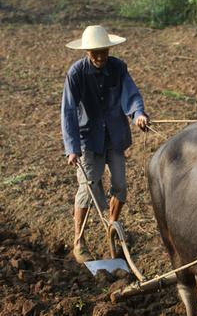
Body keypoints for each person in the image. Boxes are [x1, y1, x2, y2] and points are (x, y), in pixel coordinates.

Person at [61, 25, 149, 264]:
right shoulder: (77, 73)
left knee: (120, 186)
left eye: (104, 51)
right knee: (87, 189)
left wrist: (138, 114)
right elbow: (68, 111)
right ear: (87, 51)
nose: (100, 57)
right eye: (94, 53)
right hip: (88, 139)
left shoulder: (118, 68)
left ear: (109, 48)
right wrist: (71, 148)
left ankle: (112, 229)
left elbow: (130, 94)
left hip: (115, 137)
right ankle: (79, 242)